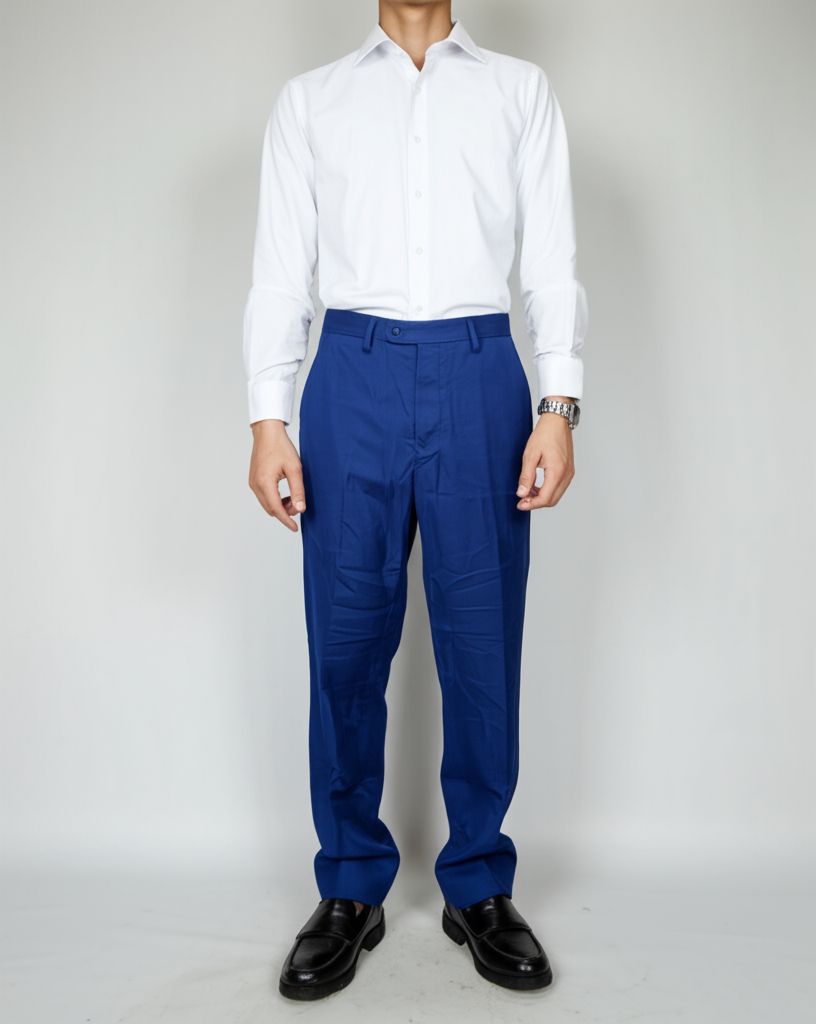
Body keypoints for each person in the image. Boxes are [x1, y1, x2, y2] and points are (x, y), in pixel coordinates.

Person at [243, 0, 587, 1001]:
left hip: (481, 369)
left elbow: (551, 258)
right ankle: (351, 883)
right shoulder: (310, 102)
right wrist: (268, 417)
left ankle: (478, 880)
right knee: (345, 640)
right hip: (352, 369)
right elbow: (280, 270)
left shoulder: (520, 91)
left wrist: (559, 402)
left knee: (482, 639)